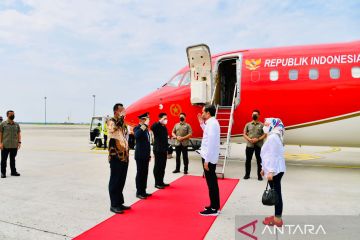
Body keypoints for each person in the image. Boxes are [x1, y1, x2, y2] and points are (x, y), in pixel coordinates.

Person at [260, 118, 286, 227]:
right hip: (274, 170)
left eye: (267, 124)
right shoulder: (273, 136)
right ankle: (276, 216)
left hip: (274, 171)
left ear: (273, 126)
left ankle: (278, 220)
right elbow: (268, 154)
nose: (264, 127)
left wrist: (270, 171)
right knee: (276, 193)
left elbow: (273, 156)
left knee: (277, 194)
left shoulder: (273, 138)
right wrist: (263, 168)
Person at [107, 103, 131, 214]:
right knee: (115, 180)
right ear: (116, 111)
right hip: (115, 155)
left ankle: (119, 202)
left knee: (121, 180)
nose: (124, 112)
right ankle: (113, 204)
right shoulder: (110, 121)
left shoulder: (123, 123)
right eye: (122, 110)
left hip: (124, 155)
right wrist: (121, 118)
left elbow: (126, 135)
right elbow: (113, 129)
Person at [198, 105, 221, 216]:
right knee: (212, 183)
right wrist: (201, 123)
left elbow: (211, 143)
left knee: (211, 184)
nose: (201, 113)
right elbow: (207, 135)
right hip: (209, 156)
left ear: (207, 113)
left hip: (209, 158)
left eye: (203, 111)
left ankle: (214, 209)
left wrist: (207, 160)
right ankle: (214, 205)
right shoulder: (211, 123)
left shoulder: (212, 124)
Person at [243, 110, 266, 180]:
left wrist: (258, 139)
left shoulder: (262, 125)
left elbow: (265, 134)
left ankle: (259, 176)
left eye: (255, 114)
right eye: (253, 114)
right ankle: (247, 175)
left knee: (259, 161)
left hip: (258, 145)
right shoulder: (248, 124)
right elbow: (244, 134)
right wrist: (249, 139)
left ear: (259, 115)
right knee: (248, 161)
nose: (254, 115)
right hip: (249, 145)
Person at [134, 112, 152, 199]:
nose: (148, 120)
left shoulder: (146, 130)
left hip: (145, 155)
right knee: (140, 173)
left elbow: (147, 143)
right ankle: (139, 192)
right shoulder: (137, 128)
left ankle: (143, 191)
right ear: (142, 119)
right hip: (140, 155)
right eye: (146, 119)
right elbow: (137, 135)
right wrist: (144, 125)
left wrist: (149, 155)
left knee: (145, 173)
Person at [151, 113, 170, 189]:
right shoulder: (157, 126)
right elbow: (152, 127)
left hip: (163, 149)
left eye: (166, 118)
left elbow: (165, 139)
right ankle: (157, 183)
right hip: (158, 149)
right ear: (160, 118)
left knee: (162, 166)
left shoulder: (164, 127)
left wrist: (168, 148)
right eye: (164, 118)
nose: (166, 120)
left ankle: (161, 181)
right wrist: (159, 121)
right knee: (158, 166)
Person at [0, 110, 21, 178]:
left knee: (13, 159)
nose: (12, 115)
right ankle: (3, 173)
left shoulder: (16, 124)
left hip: (14, 145)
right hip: (5, 145)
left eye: (13, 114)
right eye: (11, 114)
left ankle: (13, 172)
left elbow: (18, 134)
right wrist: (0, 143)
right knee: (3, 160)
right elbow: (0, 134)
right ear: (7, 115)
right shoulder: (3, 124)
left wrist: (19, 142)